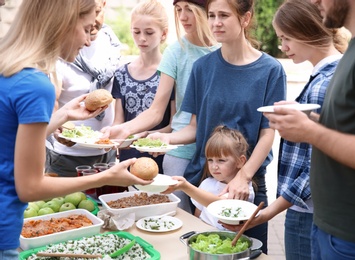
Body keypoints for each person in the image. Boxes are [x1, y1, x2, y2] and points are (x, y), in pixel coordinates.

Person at [0, 0, 151, 258]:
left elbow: (10, 143)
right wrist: (107, 177)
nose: (88, 41)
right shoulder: (36, 85)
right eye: (86, 28)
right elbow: (31, 188)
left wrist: (63, 116)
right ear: (64, 23)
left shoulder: (9, 67)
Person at [148, 0, 287, 253]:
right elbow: (194, 128)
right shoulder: (203, 68)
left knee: (251, 254)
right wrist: (164, 139)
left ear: (245, 19)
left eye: (224, 15)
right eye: (212, 15)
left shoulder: (271, 70)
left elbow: (268, 133)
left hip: (249, 185)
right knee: (203, 251)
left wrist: (243, 178)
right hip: (207, 179)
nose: (215, 23)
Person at [264, 0, 355, 258]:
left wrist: (309, 131)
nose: (313, 2)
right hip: (333, 232)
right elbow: (353, 133)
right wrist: (310, 122)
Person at [222, 1, 347, 259]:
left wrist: (271, 211)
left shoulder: (325, 82)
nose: (283, 46)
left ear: (306, 30)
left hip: (307, 211)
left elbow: (317, 163)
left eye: (286, 37)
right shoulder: (328, 75)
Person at [102, 0, 219, 213]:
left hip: (220, 150)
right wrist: (125, 129)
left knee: (213, 219)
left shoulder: (222, 50)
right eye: (179, 10)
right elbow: (157, 110)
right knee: (177, 215)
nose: (183, 17)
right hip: (180, 150)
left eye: (190, 10)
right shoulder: (175, 52)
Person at [45, 0, 121, 178]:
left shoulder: (111, 43)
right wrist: (58, 129)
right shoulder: (64, 47)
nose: (94, 21)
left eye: (98, 11)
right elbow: (53, 98)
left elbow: (116, 94)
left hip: (105, 150)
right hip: (68, 154)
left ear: (104, 4)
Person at [112, 0, 173, 174]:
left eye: (149, 32)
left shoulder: (169, 73)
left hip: (159, 154)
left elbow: (173, 124)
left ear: (164, 34)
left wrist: (145, 136)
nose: (142, 38)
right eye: (136, 32)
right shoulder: (122, 73)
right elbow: (119, 120)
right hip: (128, 155)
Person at [165, 125, 255, 230]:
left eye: (221, 160)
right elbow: (197, 216)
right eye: (210, 160)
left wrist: (185, 187)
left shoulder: (243, 189)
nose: (214, 166)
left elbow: (220, 205)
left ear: (240, 161)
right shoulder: (206, 183)